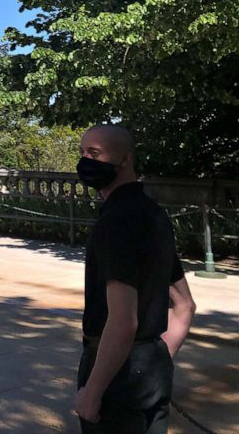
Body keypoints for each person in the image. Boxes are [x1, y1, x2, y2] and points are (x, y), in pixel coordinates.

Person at [74, 124, 196, 433]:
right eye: (83, 152)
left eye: (96, 153)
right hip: (151, 367)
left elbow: (123, 321)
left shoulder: (115, 221)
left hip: (119, 373)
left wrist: (93, 392)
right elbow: (185, 305)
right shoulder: (152, 213)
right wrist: (159, 357)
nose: (86, 160)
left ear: (125, 159)